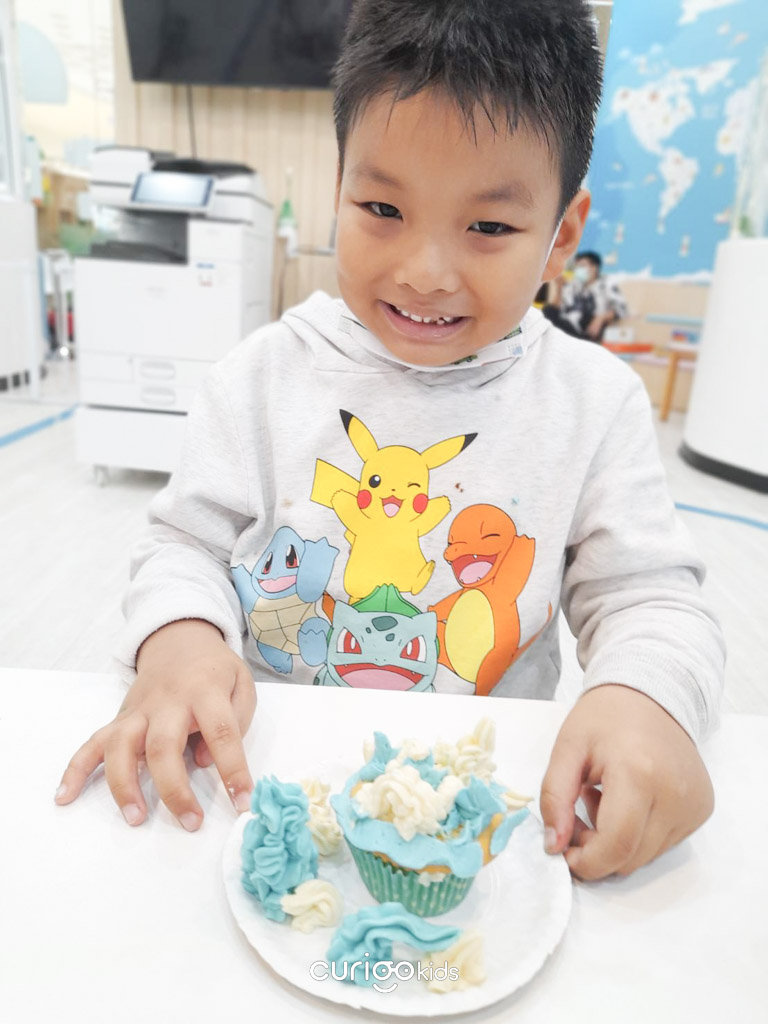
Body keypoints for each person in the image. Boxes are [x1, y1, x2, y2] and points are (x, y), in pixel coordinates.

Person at [55, 0, 724, 882]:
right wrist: (180, 638)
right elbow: (185, 545)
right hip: (266, 788)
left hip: (478, 818)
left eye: (489, 228)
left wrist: (646, 700)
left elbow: (648, 598)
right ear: (338, 185)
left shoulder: (592, 403)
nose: (424, 272)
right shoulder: (261, 377)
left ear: (562, 234)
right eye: (382, 208)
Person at [543, 251, 628, 341]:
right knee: (548, 310)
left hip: (587, 330)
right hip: (569, 326)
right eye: (577, 267)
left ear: (594, 268)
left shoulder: (606, 284)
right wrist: (560, 288)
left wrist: (601, 318)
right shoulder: (575, 285)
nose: (578, 270)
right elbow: (558, 309)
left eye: (582, 266)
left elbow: (622, 309)